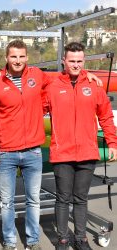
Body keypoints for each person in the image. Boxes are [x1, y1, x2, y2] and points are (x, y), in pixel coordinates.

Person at [0, 39, 102, 250]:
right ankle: (10, 242)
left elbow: (64, 80)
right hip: (6, 150)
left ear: (27, 58)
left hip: (32, 150)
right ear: (6, 58)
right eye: (13, 56)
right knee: (7, 202)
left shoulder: (38, 76)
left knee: (34, 200)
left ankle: (32, 241)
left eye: (22, 56)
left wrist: (88, 76)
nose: (18, 60)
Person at [42, 42, 117, 250]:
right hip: (62, 153)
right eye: (71, 61)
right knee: (63, 199)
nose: (75, 65)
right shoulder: (52, 87)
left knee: (81, 199)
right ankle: (63, 239)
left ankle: (81, 238)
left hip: (87, 152)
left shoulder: (94, 86)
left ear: (84, 62)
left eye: (79, 61)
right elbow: (33, 105)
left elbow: (106, 117)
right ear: (64, 61)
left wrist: (112, 142)